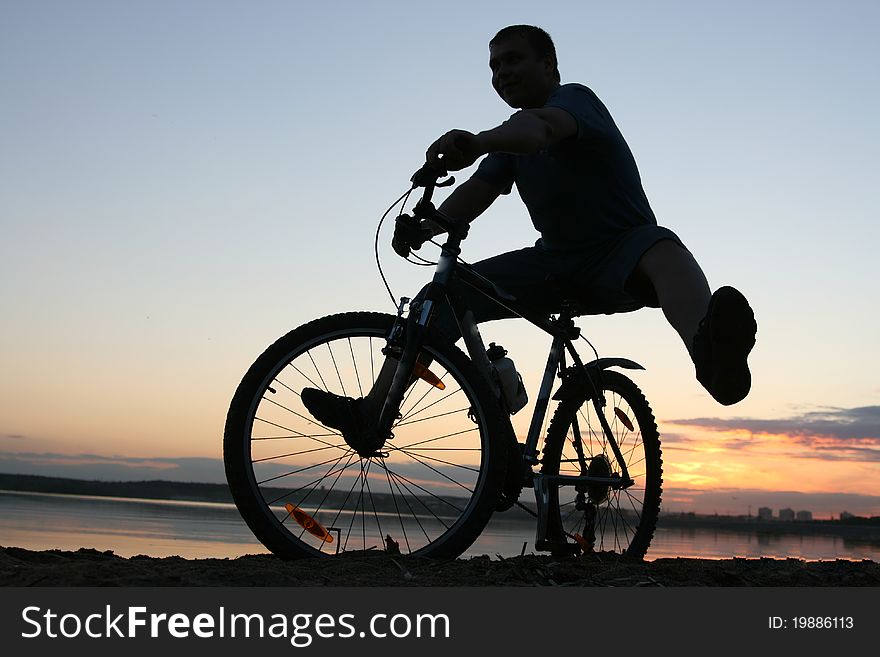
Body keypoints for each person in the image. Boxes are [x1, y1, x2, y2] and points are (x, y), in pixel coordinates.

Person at [302, 25, 757, 436]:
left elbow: (540, 128)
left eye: (513, 60)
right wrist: (425, 226)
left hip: (623, 253)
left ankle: (713, 359)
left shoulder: (575, 100)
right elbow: (478, 190)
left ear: (549, 66)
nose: (502, 73)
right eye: (494, 66)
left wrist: (479, 140)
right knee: (439, 295)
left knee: (665, 248)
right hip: (553, 262)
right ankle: (372, 414)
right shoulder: (507, 142)